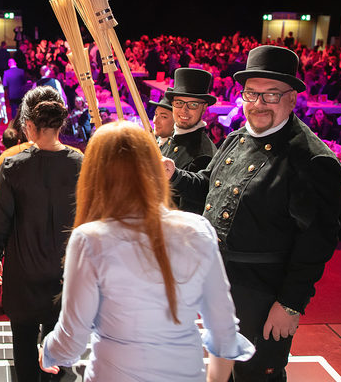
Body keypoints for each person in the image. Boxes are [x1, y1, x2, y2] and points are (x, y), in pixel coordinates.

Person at [165, 45, 341, 381]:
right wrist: (173, 174)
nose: (258, 104)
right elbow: (207, 185)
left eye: (271, 95)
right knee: (226, 368)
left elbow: (317, 240)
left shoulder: (310, 159)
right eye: (251, 94)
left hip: (264, 293)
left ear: (292, 98)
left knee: (258, 375)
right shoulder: (236, 138)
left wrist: (291, 304)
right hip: (222, 282)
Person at [40, 121, 254, 381]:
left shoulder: (89, 239)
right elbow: (224, 331)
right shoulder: (198, 230)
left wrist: (48, 351)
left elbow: (71, 342)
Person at [0, 86, 83, 382]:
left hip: (23, 270)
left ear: (29, 124)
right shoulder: (80, 162)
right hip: (65, 271)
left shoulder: (13, 164)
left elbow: (0, 219)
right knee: (59, 343)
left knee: (23, 341)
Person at [161, 68, 218, 214]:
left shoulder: (204, 154)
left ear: (204, 107)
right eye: (179, 103)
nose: (183, 111)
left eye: (192, 105)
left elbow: (189, 212)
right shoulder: (172, 137)